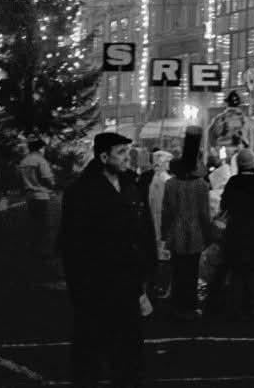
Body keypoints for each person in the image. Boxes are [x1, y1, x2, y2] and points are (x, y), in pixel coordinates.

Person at [59, 132, 155, 388]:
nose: (127, 158)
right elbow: (72, 244)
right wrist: (79, 289)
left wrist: (145, 278)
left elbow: (142, 231)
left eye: (127, 152)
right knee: (89, 352)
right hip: (95, 285)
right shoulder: (81, 192)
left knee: (128, 355)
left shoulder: (130, 187)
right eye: (121, 153)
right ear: (103, 156)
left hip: (127, 284)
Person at [161, 128, 211, 320]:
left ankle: (177, 305)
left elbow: (166, 212)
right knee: (191, 271)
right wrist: (208, 234)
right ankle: (189, 306)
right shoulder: (201, 186)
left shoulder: (171, 184)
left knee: (177, 270)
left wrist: (165, 234)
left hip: (176, 231)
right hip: (196, 232)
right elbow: (205, 214)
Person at [216, 148, 254, 320]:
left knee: (237, 270)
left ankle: (236, 307)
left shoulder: (233, 182)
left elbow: (224, 205)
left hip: (237, 230)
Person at [19, 137, 55, 259]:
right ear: (40, 148)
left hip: (29, 195)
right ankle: (43, 250)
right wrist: (53, 185)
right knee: (43, 224)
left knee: (33, 223)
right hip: (41, 195)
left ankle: (33, 248)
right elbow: (47, 178)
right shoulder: (40, 161)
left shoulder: (24, 161)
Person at [147, 150, 173, 298]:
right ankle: (163, 286)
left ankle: (157, 285)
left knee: (159, 255)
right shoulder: (166, 180)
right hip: (164, 224)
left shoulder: (154, 179)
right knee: (165, 257)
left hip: (155, 222)